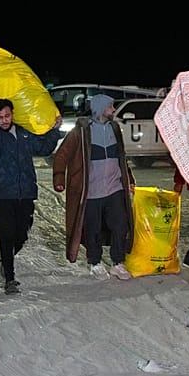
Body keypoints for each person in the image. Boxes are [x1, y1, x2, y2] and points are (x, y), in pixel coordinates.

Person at [0, 82, 62, 295]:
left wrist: (54, 130)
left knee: (21, 235)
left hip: (25, 192)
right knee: (6, 235)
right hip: (2, 193)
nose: (4, 120)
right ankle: (10, 277)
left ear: (12, 114)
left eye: (7, 116)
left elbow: (43, 148)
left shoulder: (24, 134)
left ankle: (6, 259)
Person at [53, 94, 136, 281]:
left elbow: (121, 158)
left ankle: (117, 262)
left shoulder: (115, 129)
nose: (113, 111)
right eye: (110, 107)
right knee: (93, 228)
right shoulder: (80, 132)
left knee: (121, 225)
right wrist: (59, 177)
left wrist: (128, 178)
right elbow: (62, 156)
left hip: (114, 188)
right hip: (90, 191)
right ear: (100, 108)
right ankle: (95, 262)